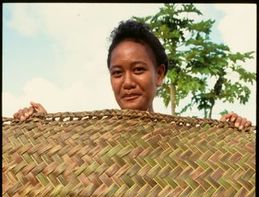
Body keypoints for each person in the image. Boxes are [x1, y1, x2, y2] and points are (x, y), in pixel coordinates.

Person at [13, 20, 252, 129]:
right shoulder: (94, 140)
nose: (127, 82)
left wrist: (228, 132)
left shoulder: (184, 139)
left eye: (138, 70)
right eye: (117, 73)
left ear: (159, 74)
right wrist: (41, 126)